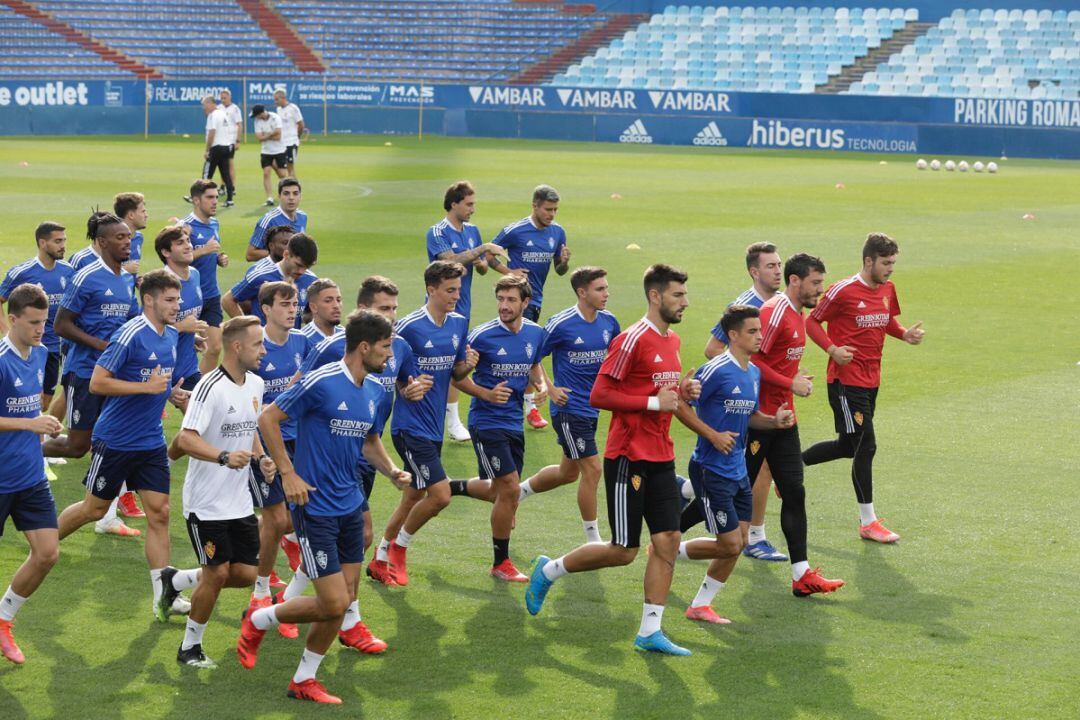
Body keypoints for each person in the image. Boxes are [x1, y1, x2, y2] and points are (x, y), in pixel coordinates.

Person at [524, 264, 700, 656]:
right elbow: (601, 394)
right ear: (655, 296)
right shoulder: (630, 339)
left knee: (669, 539)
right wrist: (656, 401)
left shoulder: (671, 341)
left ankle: (649, 632)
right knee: (624, 551)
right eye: (677, 295)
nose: (684, 302)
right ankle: (549, 570)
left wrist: (683, 390)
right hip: (628, 457)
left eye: (684, 295)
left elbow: (663, 390)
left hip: (662, 453)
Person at [239, 310, 410, 705]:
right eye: (386, 347)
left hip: (351, 503)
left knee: (343, 600)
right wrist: (287, 473)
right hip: (314, 506)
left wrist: (390, 470)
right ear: (364, 347)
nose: (390, 355)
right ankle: (260, 618)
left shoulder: (375, 391)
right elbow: (268, 417)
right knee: (333, 602)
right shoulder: (322, 381)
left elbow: (369, 441)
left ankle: (304, 679)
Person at [56, 270, 199, 622]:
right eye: (169, 300)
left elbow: (154, 382)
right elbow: (99, 382)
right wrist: (146, 389)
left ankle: (163, 595)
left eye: (178, 299)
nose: (176, 306)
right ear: (148, 299)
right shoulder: (131, 333)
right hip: (116, 439)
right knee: (92, 509)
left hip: (150, 440)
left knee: (160, 513)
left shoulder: (167, 335)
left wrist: (172, 393)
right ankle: (44, 545)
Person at [672, 304, 797, 624]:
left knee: (737, 544)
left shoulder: (753, 372)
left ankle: (700, 605)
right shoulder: (715, 369)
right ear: (733, 335)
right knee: (729, 543)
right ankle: (668, 551)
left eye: (760, 330)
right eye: (752, 331)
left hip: (738, 469)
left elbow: (752, 417)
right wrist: (712, 435)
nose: (760, 336)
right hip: (710, 468)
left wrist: (775, 422)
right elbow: (680, 405)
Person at [803, 233, 925, 543]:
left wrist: (904, 334)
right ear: (868, 261)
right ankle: (868, 522)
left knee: (848, 446)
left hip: (872, 378)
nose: (890, 269)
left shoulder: (887, 288)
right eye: (886, 263)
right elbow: (812, 323)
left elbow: (884, 321)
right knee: (866, 445)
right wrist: (832, 350)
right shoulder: (843, 291)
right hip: (846, 381)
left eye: (893, 263)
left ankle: (790, 466)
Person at [166, 316, 272, 667]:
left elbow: (249, 426)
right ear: (237, 346)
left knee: (242, 573)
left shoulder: (255, 384)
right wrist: (223, 456)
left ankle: (176, 580)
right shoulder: (210, 387)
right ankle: (189, 648)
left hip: (238, 500)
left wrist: (260, 458)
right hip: (206, 503)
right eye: (258, 344)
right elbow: (185, 439)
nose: (264, 350)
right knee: (217, 573)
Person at [736, 254, 845, 596]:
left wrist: (791, 382)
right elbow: (751, 360)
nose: (820, 290)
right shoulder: (775, 312)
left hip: (784, 419)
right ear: (795, 281)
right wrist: (789, 382)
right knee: (730, 492)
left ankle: (802, 575)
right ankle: (670, 536)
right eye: (815, 283)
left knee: (795, 492)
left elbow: (778, 364)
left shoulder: (797, 314)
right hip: (757, 421)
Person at [369, 264, 473, 586]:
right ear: (431, 289)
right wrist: (404, 389)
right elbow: (393, 369)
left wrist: (467, 368)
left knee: (413, 496)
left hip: (433, 427)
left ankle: (379, 558)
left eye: (459, 289)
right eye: (450, 290)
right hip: (408, 427)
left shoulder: (458, 323)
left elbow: (454, 375)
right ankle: (400, 548)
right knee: (440, 495)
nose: (457, 295)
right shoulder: (409, 327)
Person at [45, 212, 142, 536]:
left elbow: (130, 322)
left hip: (113, 375)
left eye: (128, 236)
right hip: (85, 373)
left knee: (115, 441)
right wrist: (101, 344)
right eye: (120, 237)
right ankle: (17, 446)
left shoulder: (128, 280)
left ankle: (106, 515)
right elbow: (61, 325)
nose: (127, 241)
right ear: (102, 242)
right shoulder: (86, 277)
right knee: (76, 447)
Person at [452, 274, 548, 581]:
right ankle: (500, 563)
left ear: (526, 303)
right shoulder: (482, 336)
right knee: (509, 487)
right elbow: (457, 376)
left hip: (513, 421)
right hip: (486, 421)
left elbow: (533, 363)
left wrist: (542, 385)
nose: (504, 306)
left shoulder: (535, 333)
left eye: (511, 300)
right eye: (500, 299)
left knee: (499, 491)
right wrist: (485, 393)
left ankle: (451, 487)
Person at [516, 266, 619, 543]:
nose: (606, 293)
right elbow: (530, 356)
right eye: (600, 289)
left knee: (567, 473)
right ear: (582, 292)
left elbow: (615, 361)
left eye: (606, 288)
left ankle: (517, 492)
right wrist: (548, 387)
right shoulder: (561, 323)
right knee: (593, 469)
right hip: (568, 409)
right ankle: (593, 539)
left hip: (592, 408)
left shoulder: (609, 322)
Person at [701, 242, 787, 562]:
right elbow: (712, 349)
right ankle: (755, 538)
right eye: (770, 266)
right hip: (746, 409)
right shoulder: (742, 306)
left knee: (760, 471)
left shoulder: (781, 303)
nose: (778, 270)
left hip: (772, 403)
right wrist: (744, 379)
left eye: (779, 265)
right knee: (757, 471)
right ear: (754, 271)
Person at [0, 285, 64, 664]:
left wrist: (44, 425)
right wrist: (28, 424)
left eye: (45, 321)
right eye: (34, 322)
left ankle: (4, 620)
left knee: (47, 553)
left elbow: (28, 411)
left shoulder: (40, 354)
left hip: (30, 477)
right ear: (12, 319)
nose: (42, 329)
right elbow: (22, 418)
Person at [245, 281, 307, 638]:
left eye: (295, 303)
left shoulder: (302, 342)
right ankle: (261, 594)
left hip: (300, 442)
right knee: (279, 517)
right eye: (285, 303)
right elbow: (250, 407)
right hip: (263, 445)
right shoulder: (257, 348)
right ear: (265, 308)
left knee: (289, 519)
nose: (292, 309)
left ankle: (262, 540)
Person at [426, 181, 503, 442]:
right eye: (469, 204)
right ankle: (447, 419)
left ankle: (451, 419)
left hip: (463, 308)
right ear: (454, 203)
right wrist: (480, 250)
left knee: (457, 364)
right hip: (439, 313)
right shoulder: (437, 232)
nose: (473, 209)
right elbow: (449, 261)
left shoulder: (472, 231)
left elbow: (480, 266)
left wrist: (483, 263)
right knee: (437, 363)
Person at [489, 185, 570, 429]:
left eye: (555, 210)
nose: (552, 214)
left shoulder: (557, 232)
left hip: (536, 300)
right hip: (517, 301)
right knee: (522, 353)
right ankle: (529, 407)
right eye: (547, 209)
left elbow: (560, 269)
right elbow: (489, 254)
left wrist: (564, 262)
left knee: (525, 353)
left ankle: (520, 403)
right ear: (534, 206)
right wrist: (508, 271)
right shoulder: (515, 231)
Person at [0, 222, 74, 431]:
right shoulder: (22, 272)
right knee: (19, 399)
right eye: (57, 241)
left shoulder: (68, 271)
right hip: (26, 347)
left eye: (64, 241)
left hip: (54, 347)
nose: (63, 246)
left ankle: (40, 439)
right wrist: (8, 331)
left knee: (42, 401)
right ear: (43, 243)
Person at [181, 180, 230, 376]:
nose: (215, 201)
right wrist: (205, 250)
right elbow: (176, 260)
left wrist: (218, 257)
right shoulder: (184, 227)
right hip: (189, 297)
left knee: (215, 348)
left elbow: (211, 250)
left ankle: (197, 390)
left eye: (217, 197)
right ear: (196, 200)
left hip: (211, 294)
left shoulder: (214, 223)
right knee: (188, 349)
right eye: (210, 197)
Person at [223, 232, 318, 328]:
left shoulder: (311, 280)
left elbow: (309, 314)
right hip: (262, 341)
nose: (302, 271)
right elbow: (227, 300)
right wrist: (248, 329)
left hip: (291, 341)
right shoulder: (261, 276)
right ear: (286, 254)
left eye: (307, 267)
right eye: (298, 265)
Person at [156, 225, 208, 395]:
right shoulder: (159, 285)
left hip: (188, 367)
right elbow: (149, 332)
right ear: (166, 252)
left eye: (188, 241)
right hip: (160, 370)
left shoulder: (194, 274)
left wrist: (192, 336)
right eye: (180, 243)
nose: (188, 246)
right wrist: (181, 327)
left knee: (201, 420)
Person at [246, 178, 308, 262]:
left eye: (295, 193)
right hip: (273, 272)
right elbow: (250, 254)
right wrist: (281, 254)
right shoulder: (269, 220)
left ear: (300, 196)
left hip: (294, 272)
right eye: (286, 194)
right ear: (279, 196)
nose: (291, 198)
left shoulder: (303, 217)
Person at [198, 96, 235, 207]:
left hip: (216, 148)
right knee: (226, 174)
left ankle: (200, 197)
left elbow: (212, 132)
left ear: (210, 103)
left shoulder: (213, 115)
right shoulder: (222, 113)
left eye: (204, 105)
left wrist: (207, 150)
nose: (204, 108)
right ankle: (229, 200)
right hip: (225, 147)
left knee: (207, 174)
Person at [251, 104, 288, 207]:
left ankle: (283, 195)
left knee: (282, 175)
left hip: (279, 150)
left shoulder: (275, 117)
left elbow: (278, 136)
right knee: (266, 173)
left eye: (256, 115)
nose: (255, 117)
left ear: (261, 113)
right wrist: (271, 134)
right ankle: (269, 198)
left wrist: (265, 135)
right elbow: (259, 138)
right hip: (266, 151)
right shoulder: (257, 121)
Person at [299, 278, 342, 356]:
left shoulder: (345, 335)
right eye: (328, 301)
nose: (336, 305)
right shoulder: (303, 340)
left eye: (338, 300)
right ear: (313, 307)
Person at [113, 192, 148, 276]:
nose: (146, 215)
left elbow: (132, 272)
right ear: (131, 215)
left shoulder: (138, 238)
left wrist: (139, 280)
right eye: (143, 211)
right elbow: (97, 274)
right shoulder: (111, 241)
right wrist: (123, 269)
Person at [273, 90, 304, 177]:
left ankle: (294, 188)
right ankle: (286, 183)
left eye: (277, 99)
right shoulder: (278, 109)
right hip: (282, 143)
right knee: (276, 163)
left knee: (290, 167)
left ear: (283, 98)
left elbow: (301, 125)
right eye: (274, 100)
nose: (275, 102)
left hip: (291, 142)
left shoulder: (293, 108)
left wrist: (297, 137)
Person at [219, 90, 243, 195]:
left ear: (229, 97)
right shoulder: (219, 108)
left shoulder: (235, 109)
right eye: (221, 98)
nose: (223, 100)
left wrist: (238, 140)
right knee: (221, 164)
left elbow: (240, 125)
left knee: (229, 164)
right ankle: (223, 186)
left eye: (224, 98)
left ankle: (232, 187)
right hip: (220, 140)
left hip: (230, 141)